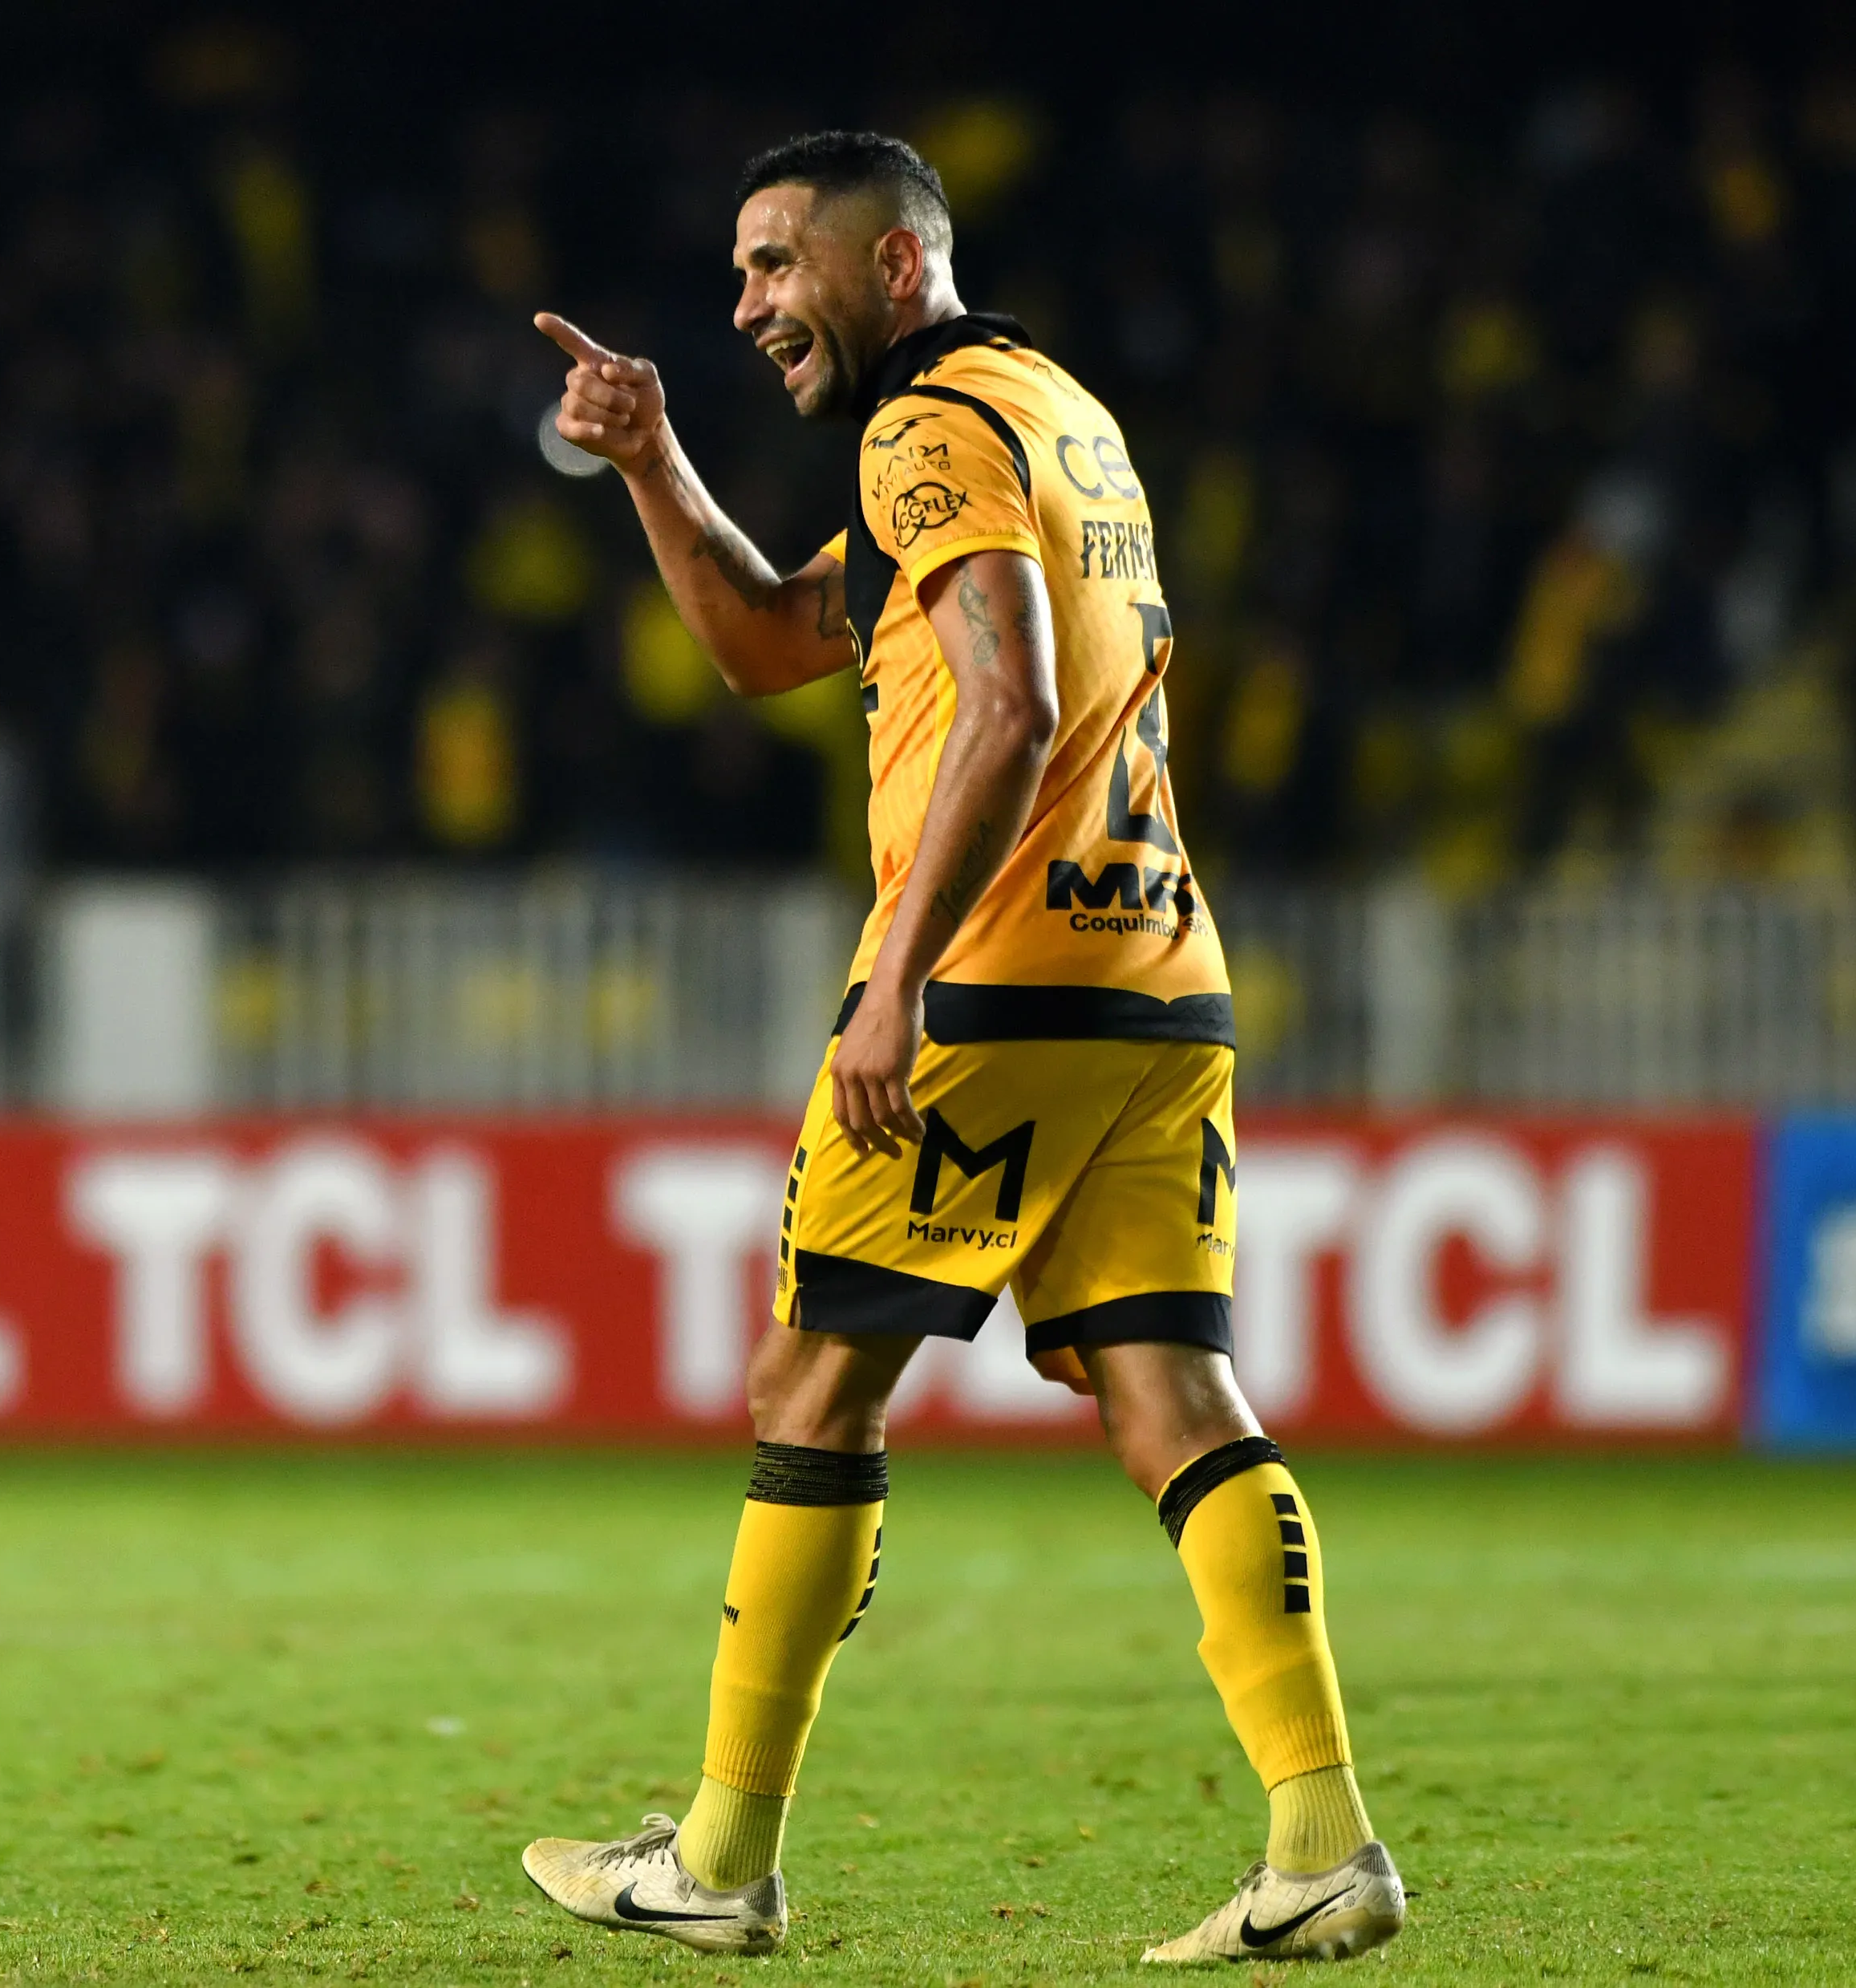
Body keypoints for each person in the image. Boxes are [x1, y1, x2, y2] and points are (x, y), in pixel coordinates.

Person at [517, 132, 1403, 1966]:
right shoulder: (1049, 415)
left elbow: (1015, 702)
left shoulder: (920, 430)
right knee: (1169, 1398)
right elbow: (776, 643)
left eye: (777, 266)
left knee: (806, 1393)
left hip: (994, 990)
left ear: (893, 264)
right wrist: (651, 460)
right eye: (741, 272)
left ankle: (720, 1859)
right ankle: (1323, 1845)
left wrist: (896, 976)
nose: (749, 304)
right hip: (1156, 981)